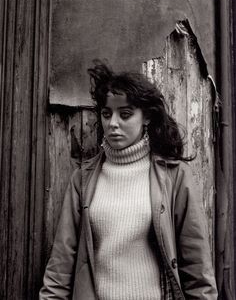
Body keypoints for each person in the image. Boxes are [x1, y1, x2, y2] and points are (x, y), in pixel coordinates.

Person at [39, 61, 218, 300]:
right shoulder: (82, 179)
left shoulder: (174, 176)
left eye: (125, 114)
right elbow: (61, 265)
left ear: (146, 118)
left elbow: (198, 270)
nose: (113, 123)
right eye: (106, 114)